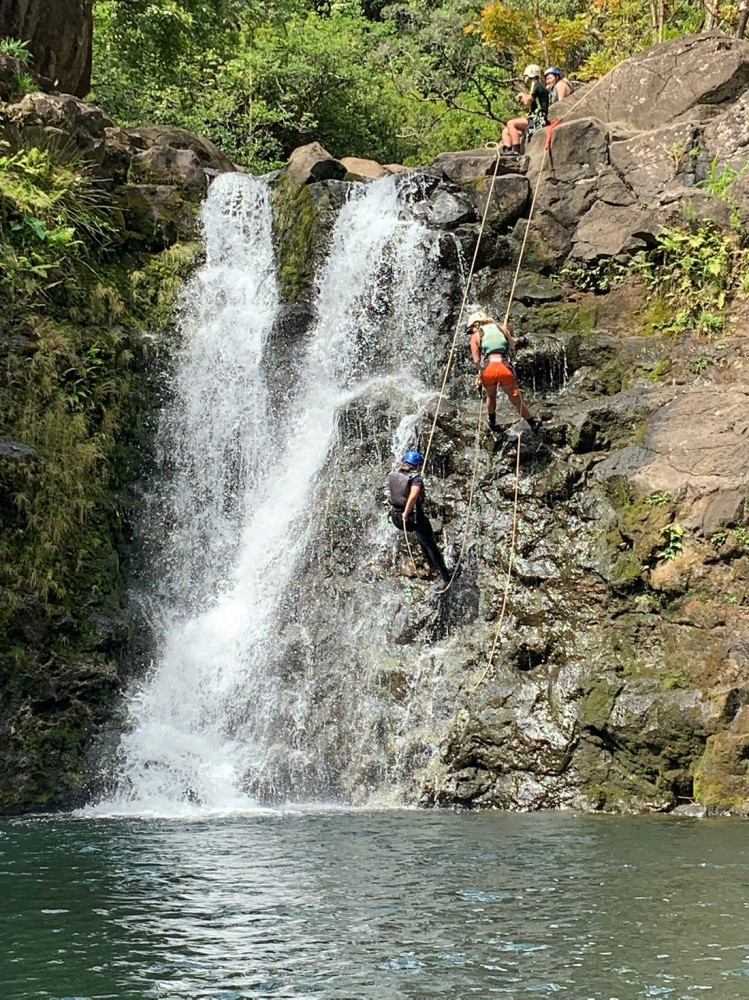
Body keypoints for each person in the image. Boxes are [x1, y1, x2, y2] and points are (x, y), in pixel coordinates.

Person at [467, 310, 541, 432]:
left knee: (491, 396)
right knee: (516, 400)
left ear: (476, 325)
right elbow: (512, 347)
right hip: (503, 366)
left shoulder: (476, 336)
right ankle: (532, 423)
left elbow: (476, 360)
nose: (471, 333)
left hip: (488, 368)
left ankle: (492, 423)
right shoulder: (502, 329)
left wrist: (480, 373)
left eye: (470, 330)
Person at [388, 450, 451, 584]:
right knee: (430, 543)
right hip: (409, 518)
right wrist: (406, 512)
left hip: (395, 516)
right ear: (417, 466)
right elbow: (414, 495)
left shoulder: (394, 474)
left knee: (422, 534)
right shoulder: (416, 479)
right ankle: (445, 575)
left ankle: (430, 562)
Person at [501, 64, 549, 156]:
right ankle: (507, 149)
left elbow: (527, 102)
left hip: (539, 119)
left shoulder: (537, 85)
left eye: (525, 76)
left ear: (531, 74)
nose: (524, 78)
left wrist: (523, 95)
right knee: (506, 131)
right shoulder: (534, 86)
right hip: (534, 118)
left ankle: (516, 149)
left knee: (511, 123)